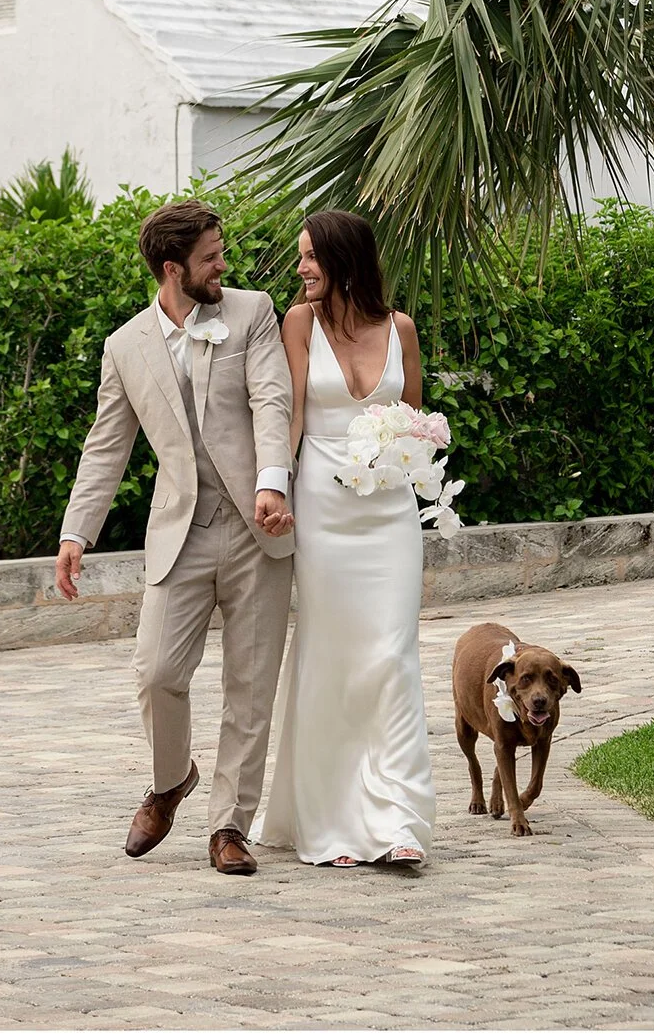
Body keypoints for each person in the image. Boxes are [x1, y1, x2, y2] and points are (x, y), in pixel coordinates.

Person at [56, 200, 297, 877]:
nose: (225, 264)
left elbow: (271, 398)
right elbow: (107, 444)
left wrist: (274, 481)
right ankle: (170, 780)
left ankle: (229, 826)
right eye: (211, 256)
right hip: (180, 530)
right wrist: (78, 531)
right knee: (157, 672)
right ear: (173, 268)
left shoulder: (252, 312)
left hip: (256, 525)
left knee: (250, 686)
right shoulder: (124, 345)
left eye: (222, 251)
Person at [251, 210, 438, 868]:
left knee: (391, 657)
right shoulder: (298, 324)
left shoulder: (402, 329)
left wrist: (414, 455)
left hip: (389, 513)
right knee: (332, 657)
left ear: (344, 258)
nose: (301, 267)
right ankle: (331, 823)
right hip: (324, 508)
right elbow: (291, 416)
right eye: (300, 256)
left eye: (310, 256)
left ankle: (397, 820)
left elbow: (413, 420)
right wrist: (273, 486)